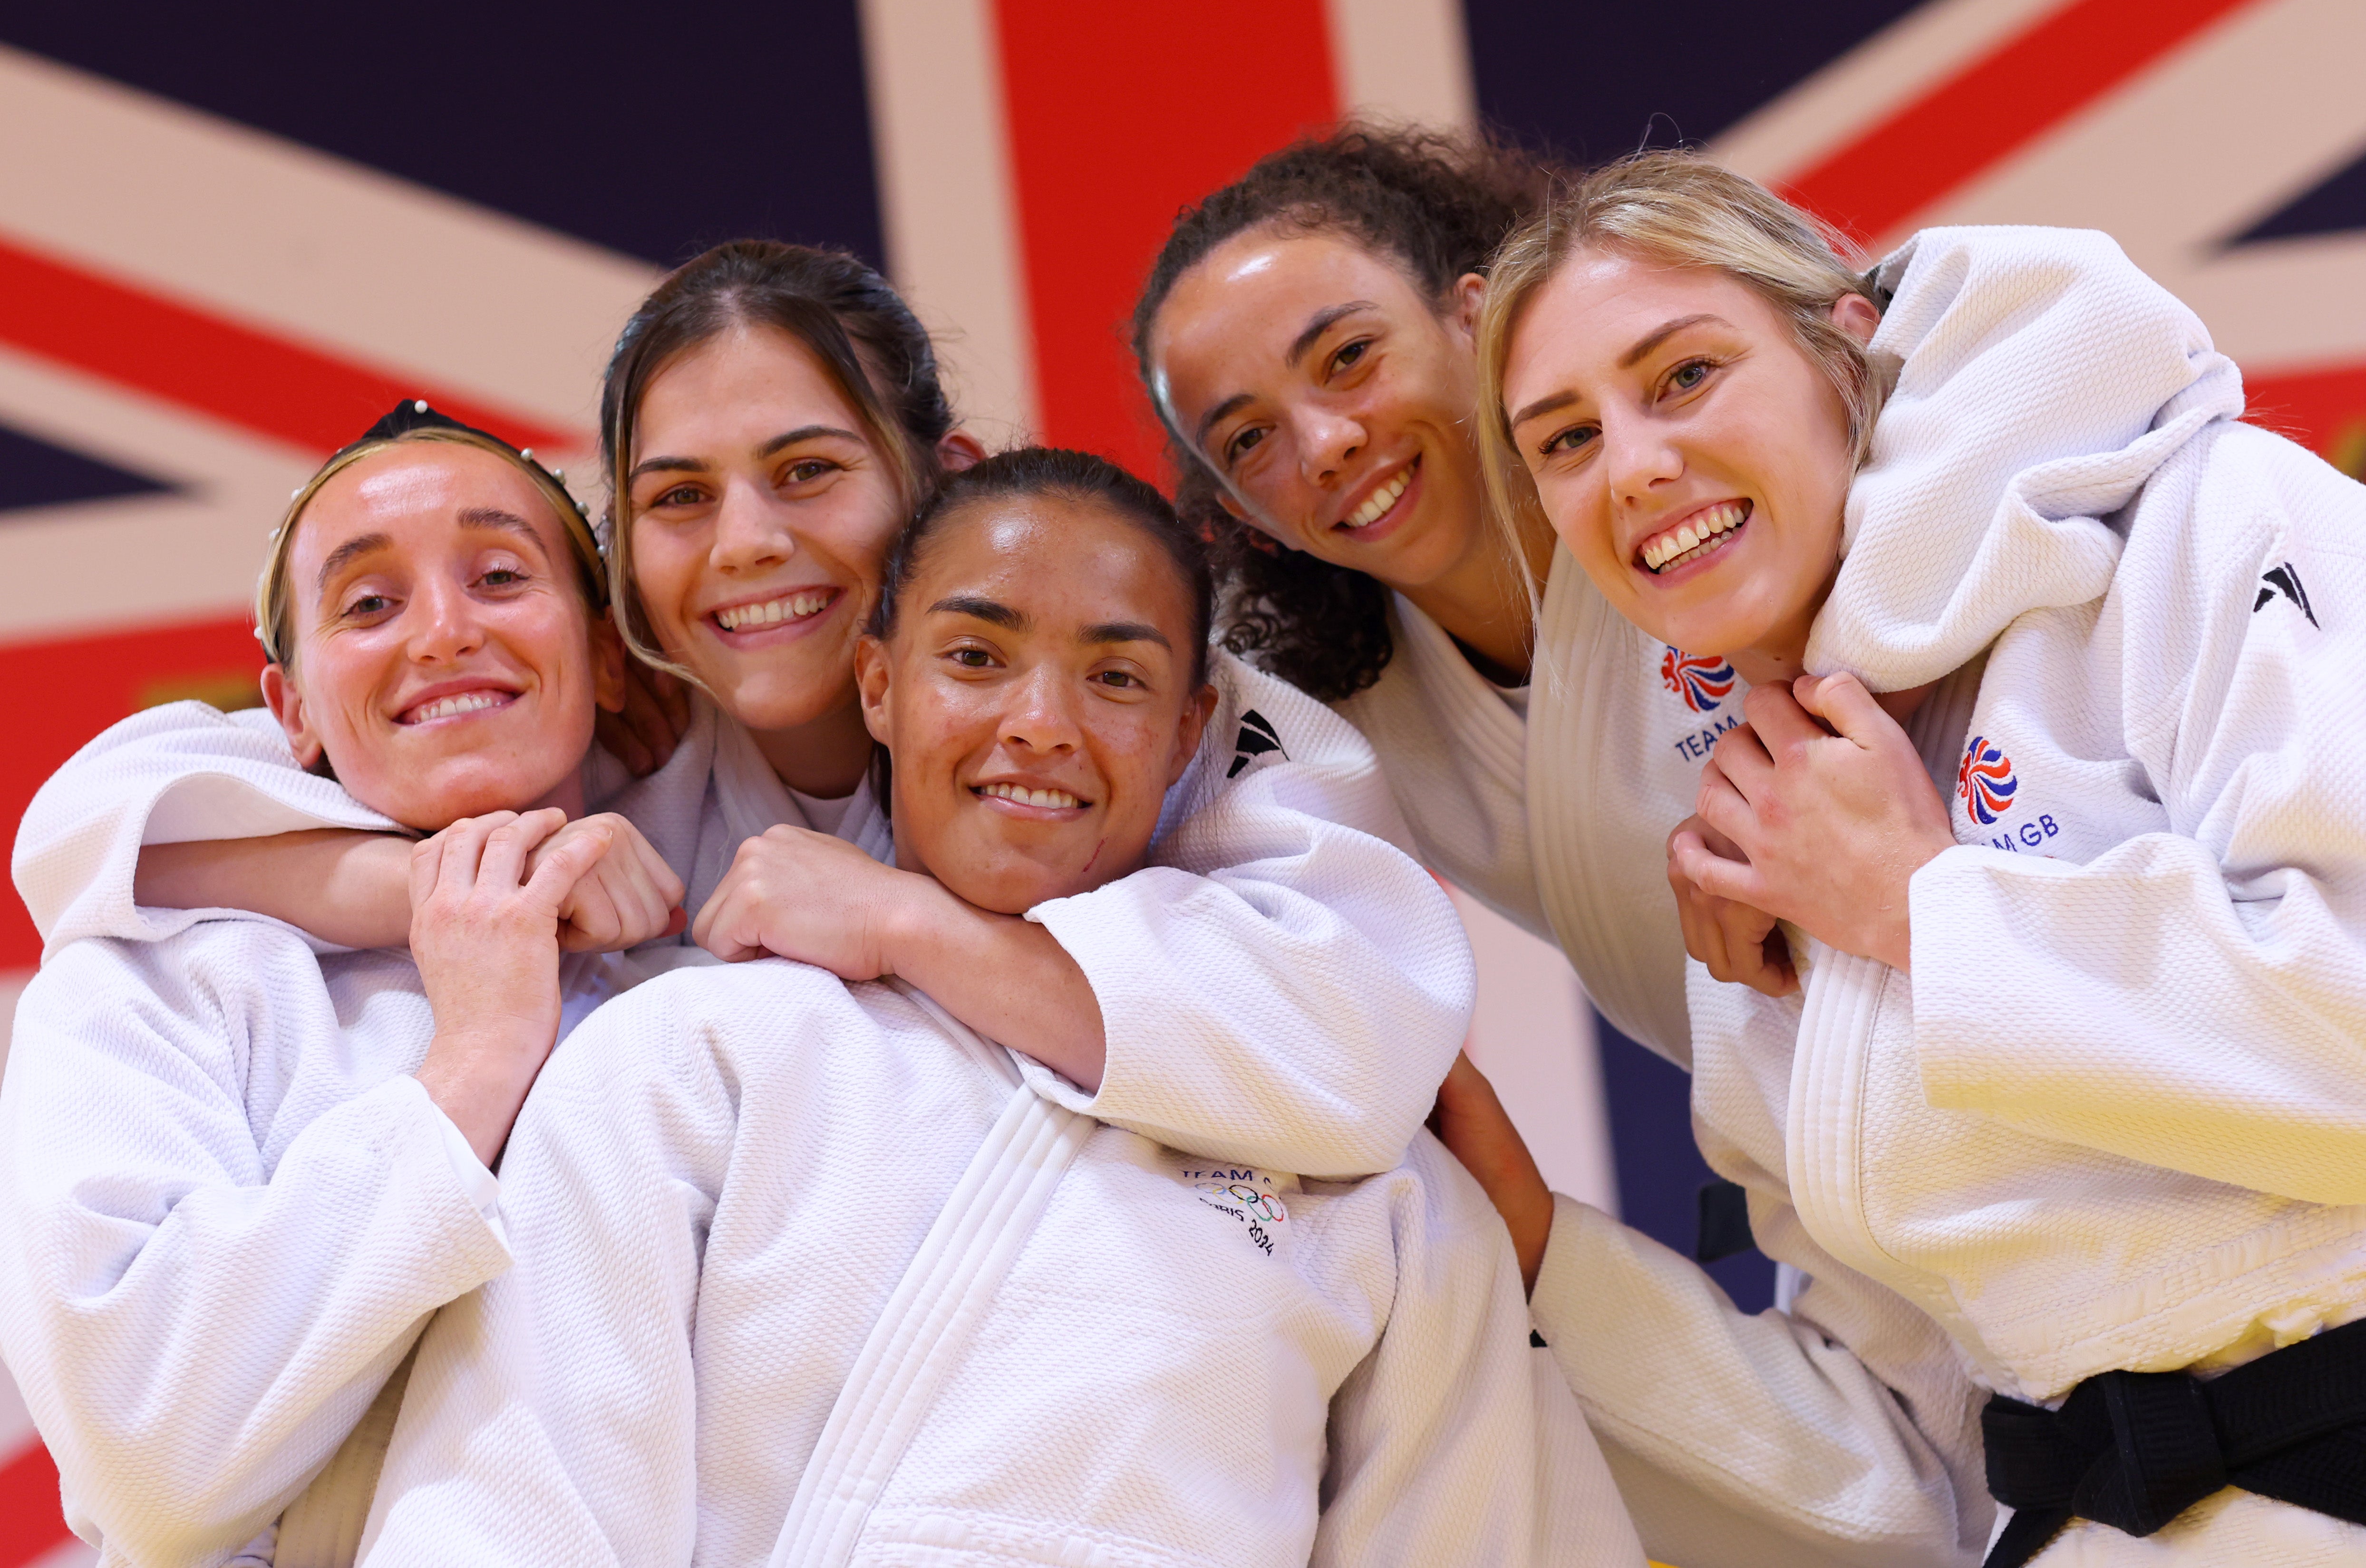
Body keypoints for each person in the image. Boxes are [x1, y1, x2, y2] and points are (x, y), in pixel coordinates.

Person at [350, 449, 1644, 1568]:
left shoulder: (1374, 1186)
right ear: (877, 685)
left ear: (1195, 725)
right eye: (974, 656)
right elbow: (507, 1518)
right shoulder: (690, 1057)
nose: (1040, 724)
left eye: (1117, 679)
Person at [20, 241, 1474, 1185]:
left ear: (946, 476)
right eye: (677, 500)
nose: (743, 546)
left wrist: (913, 927)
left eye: (806, 473)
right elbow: (93, 824)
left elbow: (1354, 1045)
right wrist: (458, 887)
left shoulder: (1144, 712)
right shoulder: (610, 752)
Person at [1467, 150, 2366, 1563]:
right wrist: (1538, 1258)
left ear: (1846, 338)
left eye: (1684, 375)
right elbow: (1901, 1446)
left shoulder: (2210, 518)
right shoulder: (1757, 818)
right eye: (1565, 438)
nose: (1635, 462)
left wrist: (1929, 912)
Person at [1136, 127, 1988, 1568]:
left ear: (1478, 315)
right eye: (1248, 437)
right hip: (1839, 1163)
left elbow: (2003, 322)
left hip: (2014, 1023)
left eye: (1347, 358)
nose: (1323, 443)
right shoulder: (1344, 711)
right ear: (1230, 510)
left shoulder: (1728, 505)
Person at [0, 403, 692, 1568]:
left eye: (500, 576)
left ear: (607, 654)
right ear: (292, 711)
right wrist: (470, 1065)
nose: (442, 632)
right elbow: (150, 1461)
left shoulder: (711, 992)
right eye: (370, 604)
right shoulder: (150, 986)